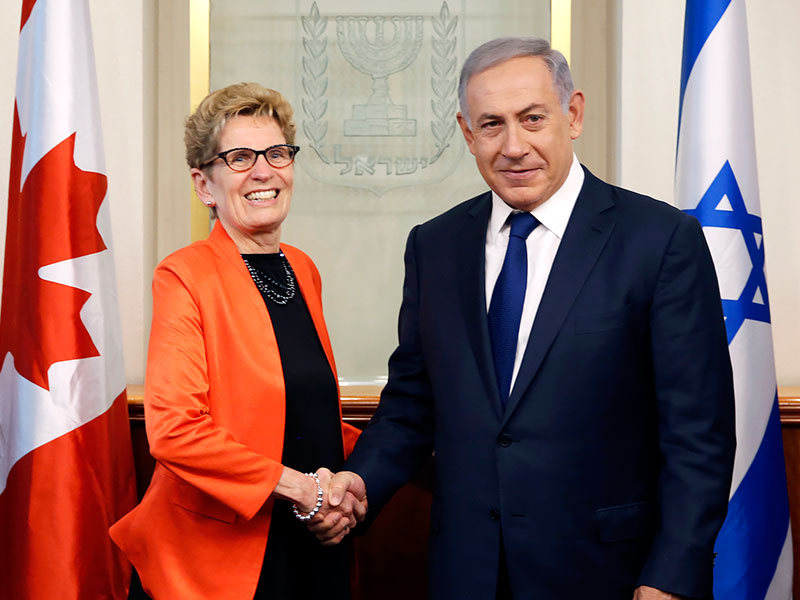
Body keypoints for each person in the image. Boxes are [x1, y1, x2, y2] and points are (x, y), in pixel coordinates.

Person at [319, 37, 736, 599]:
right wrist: (359, 481)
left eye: (533, 118)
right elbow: (412, 405)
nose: (514, 145)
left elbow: (699, 435)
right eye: (492, 125)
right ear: (468, 134)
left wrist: (670, 577)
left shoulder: (660, 241)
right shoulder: (435, 246)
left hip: (609, 576)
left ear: (573, 114)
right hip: (466, 572)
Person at [109, 82, 366, 600]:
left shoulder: (302, 269)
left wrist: (353, 484)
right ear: (205, 184)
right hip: (219, 559)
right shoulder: (184, 275)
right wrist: (305, 491)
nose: (264, 170)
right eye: (240, 157)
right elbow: (176, 431)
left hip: (312, 540)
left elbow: (301, 411)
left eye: (276, 153)